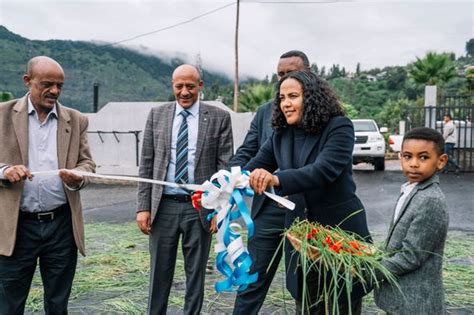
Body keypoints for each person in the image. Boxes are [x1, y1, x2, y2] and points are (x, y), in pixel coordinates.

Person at [245, 70, 371, 314]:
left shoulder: (339, 127)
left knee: (341, 304)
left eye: (293, 96)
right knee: (307, 304)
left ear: (311, 97)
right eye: (281, 98)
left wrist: (276, 179)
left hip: (339, 236)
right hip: (301, 237)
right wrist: (225, 182)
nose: (286, 104)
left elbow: (323, 171)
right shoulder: (281, 134)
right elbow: (256, 164)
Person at [0, 56, 96, 314]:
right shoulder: (2, 114)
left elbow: (87, 164)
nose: (54, 91)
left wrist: (78, 176)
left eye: (59, 85)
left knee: (57, 303)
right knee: (9, 304)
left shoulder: (76, 120)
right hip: (17, 228)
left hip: (61, 227)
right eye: (47, 84)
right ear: (27, 81)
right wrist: (5, 170)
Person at [136, 64, 233, 315]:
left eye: (190, 86)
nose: (184, 92)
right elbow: (146, 164)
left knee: (195, 275)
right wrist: (143, 207)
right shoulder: (157, 115)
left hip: (199, 208)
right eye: (179, 86)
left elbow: (225, 167)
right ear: (172, 86)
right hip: (163, 206)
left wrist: (219, 210)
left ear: (200, 86)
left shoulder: (219, 117)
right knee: (159, 274)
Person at [230, 50, 311, 314]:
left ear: (308, 74)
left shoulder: (323, 115)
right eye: (280, 75)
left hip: (306, 215)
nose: (284, 79)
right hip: (267, 211)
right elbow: (249, 152)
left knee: (304, 283)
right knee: (252, 279)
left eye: (291, 73)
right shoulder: (265, 112)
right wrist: (227, 178)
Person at [374, 127, 449, 314]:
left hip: (415, 304)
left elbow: (410, 256)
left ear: (441, 161)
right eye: (407, 157)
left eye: (423, 157)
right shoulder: (412, 189)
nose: (413, 164)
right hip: (401, 300)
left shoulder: (430, 200)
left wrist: (368, 271)